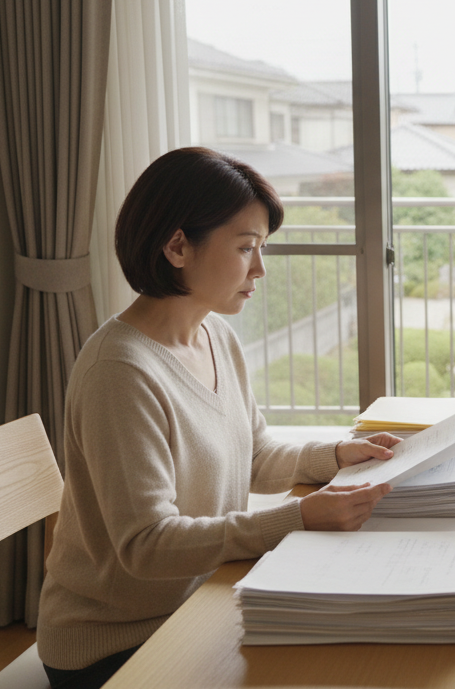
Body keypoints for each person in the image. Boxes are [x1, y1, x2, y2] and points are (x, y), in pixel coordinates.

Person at [37, 148, 398, 688]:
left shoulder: (214, 335)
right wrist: (297, 519)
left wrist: (335, 455)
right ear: (178, 246)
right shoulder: (121, 372)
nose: (260, 269)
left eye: (262, 248)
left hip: (202, 601)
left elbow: (252, 454)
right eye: (246, 247)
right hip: (117, 643)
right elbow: (146, 545)